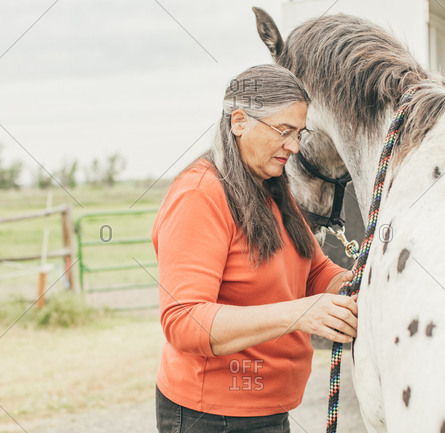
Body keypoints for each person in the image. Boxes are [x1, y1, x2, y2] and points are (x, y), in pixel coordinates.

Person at [151, 64, 358, 433]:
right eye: (284, 132)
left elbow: (315, 272)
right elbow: (185, 321)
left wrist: (367, 283)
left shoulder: (273, 186)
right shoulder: (200, 194)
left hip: (267, 409)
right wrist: (300, 314)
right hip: (213, 417)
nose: (294, 147)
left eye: (299, 133)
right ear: (239, 121)